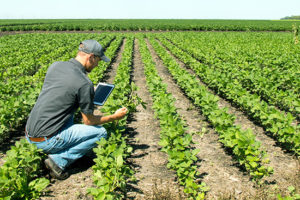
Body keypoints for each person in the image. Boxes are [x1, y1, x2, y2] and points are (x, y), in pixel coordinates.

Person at [25, 39, 128, 180]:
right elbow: (88, 121)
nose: (98, 64)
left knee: (70, 114)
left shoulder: (56, 66)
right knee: (100, 133)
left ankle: (75, 153)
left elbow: (63, 90)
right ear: (91, 57)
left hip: (30, 133)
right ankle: (58, 161)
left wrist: (88, 92)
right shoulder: (84, 83)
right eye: (98, 60)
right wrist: (114, 117)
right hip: (46, 140)